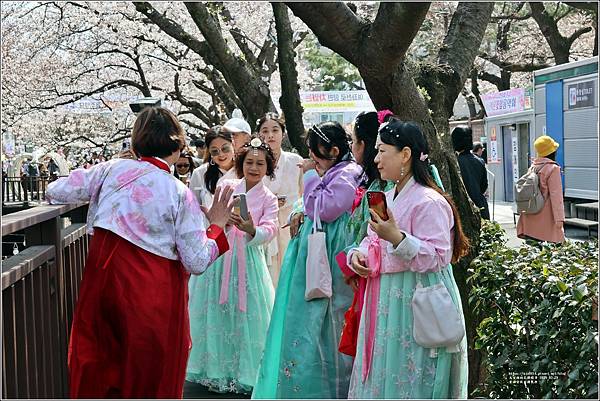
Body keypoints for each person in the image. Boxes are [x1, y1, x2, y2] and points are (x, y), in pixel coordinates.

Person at [45, 106, 234, 399]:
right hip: (152, 293)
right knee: (150, 373)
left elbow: (56, 190)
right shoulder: (178, 192)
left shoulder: (110, 169)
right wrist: (217, 227)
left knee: (99, 363)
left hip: (103, 282)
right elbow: (195, 260)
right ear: (178, 145)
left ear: (135, 143)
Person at [347, 119, 470, 399]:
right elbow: (371, 239)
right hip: (387, 300)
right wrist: (359, 255)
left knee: (413, 375)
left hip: (416, 301)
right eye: (376, 151)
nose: (376, 159)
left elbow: (439, 256)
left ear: (405, 154)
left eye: (382, 151)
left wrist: (397, 238)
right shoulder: (387, 195)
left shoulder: (429, 202)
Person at [252, 121, 362, 399]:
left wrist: (310, 176)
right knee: (311, 326)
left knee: (327, 328)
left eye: (315, 152)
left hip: (327, 264)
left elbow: (322, 208)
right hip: (315, 260)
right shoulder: (337, 171)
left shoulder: (347, 173)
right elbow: (309, 205)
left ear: (334, 151)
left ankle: (328, 390)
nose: (311, 157)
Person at [186, 136, 278, 395]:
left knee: (248, 315)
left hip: (248, 261)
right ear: (241, 163)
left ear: (268, 168)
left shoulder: (268, 198)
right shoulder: (226, 186)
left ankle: (244, 370)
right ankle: (216, 368)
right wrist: (221, 223)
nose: (254, 168)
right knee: (217, 311)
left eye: (260, 164)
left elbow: (270, 228)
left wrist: (252, 229)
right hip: (222, 255)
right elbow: (214, 218)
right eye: (250, 162)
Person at [334, 110, 394, 357]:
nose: (352, 146)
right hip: (365, 271)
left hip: (378, 278)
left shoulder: (383, 187)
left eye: (354, 141)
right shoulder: (372, 183)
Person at [256, 112, 303, 286]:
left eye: (275, 130)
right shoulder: (256, 161)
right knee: (268, 275)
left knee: (290, 271)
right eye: (265, 131)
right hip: (265, 223)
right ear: (259, 135)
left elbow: (304, 195)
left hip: (290, 223)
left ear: (282, 133)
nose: (270, 135)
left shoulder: (295, 161)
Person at [517, 135, 565, 243]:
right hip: (547, 222)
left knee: (533, 256)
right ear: (552, 152)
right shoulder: (553, 169)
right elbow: (556, 197)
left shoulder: (533, 167)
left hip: (529, 221)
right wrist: (559, 219)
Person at [189, 126, 237, 210]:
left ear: (233, 144)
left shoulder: (244, 170)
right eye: (215, 151)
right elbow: (192, 209)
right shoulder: (200, 173)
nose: (221, 154)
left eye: (225, 148)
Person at [451, 126, 490, 220]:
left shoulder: (454, 162)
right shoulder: (480, 161)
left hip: (463, 208)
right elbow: (484, 185)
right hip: (481, 205)